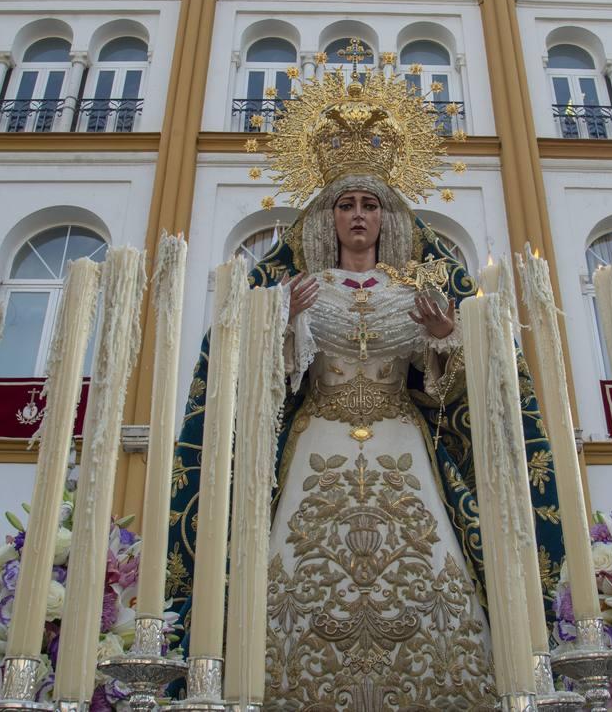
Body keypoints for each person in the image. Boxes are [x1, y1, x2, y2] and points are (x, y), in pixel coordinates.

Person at [163, 59, 566, 710]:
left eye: (369, 204)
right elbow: (252, 381)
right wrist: (279, 326)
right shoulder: (300, 289)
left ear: (386, 217)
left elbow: (455, 393)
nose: (357, 215)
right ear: (328, 217)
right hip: (315, 435)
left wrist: (442, 340)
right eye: (345, 204)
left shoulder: (416, 292)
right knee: (292, 578)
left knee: (427, 576)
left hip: (401, 440)